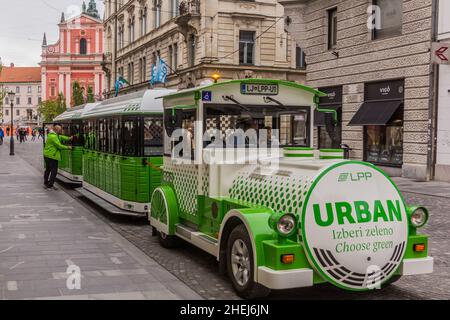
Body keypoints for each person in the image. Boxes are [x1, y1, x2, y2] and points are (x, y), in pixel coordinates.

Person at [43, 125, 72, 190]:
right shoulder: (54, 136)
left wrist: (69, 138)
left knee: (48, 169)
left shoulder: (52, 135)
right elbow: (59, 146)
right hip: (52, 156)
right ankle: (50, 185)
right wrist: (68, 147)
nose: (61, 131)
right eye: (60, 130)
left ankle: (46, 183)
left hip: (47, 155)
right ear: (57, 130)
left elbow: (61, 137)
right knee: (54, 171)